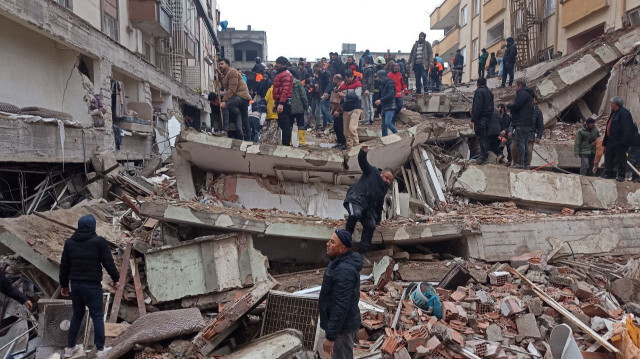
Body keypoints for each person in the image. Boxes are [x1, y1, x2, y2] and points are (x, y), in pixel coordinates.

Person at [60, 214, 119, 358]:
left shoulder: (70, 243)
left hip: (76, 286)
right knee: (97, 316)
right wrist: (116, 278)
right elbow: (108, 262)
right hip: (92, 286)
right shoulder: (99, 242)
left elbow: (64, 266)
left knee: (77, 315)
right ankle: (100, 349)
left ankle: (70, 348)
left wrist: (64, 285)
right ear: (92, 226)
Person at [344, 145, 393, 260]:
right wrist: (363, 152)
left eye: (390, 180)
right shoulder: (372, 171)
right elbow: (363, 162)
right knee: (355, 214)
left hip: (368, 208)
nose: (387, 181)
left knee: (370, 226)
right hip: (356, 199)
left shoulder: (384, 188)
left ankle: (362, 252)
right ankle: (347, 238)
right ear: (382, 173)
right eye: (386, 177)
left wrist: (378, 220)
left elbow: (380, 204)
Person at [319, 230, 362, 359]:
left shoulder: (344, 270)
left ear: (342, 249)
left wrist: (331, 336)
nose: (327, 244)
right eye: (329, 240)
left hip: (342, 329)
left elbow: (341, 305)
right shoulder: (337, 262)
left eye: (332, 242)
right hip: (340, 327)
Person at [603, 96, 637, 181]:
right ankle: (608, 173)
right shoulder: (614, 112)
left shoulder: (624, 113)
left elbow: (627, 129)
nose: (610, 104)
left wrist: (623, 142)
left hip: (619, 142)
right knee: (608, 157)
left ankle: (621, 175)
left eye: (611, 103)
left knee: (621, 159)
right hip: (611, 141)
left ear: (615, 104)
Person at [218, 58, 252, 140]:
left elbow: (232, 89)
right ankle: (248, 139)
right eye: (219, 64)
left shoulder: (232, 72)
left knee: (225, 105)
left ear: (227, 65)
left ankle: (224, 130)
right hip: (242, 98)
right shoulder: (226, 75)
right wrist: (219, 76)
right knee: (244, 119)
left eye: (222, 64)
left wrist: (224, 101)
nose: (220, 66)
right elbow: (224, 84)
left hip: (241, 96)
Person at [507, 79, 535, 169]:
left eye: (516, 86)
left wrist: (508, 105)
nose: (515, 88)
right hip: (526, 123)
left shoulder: (522, 93)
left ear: (520, 86)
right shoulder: (528, 94)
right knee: (525, 143)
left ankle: (521, 163)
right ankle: (526, 164)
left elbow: (517, 105)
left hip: (521, 122)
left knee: (520, 143)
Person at [471, 77, 494, 164]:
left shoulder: (479, 92)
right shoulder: (489, 92)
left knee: (482, 138)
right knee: (485, 137)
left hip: (481, 119)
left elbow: (477, 107)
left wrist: (474, 118)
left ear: (478, 84)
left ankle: (483, 156)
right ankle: (485, 154)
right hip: (488, 118)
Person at [272, 56, 294, 146]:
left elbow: (285, 90)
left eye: (278, 63)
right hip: (281, 102)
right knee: (283, 123)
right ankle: (285, 144)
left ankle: (286, 145)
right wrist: (276, 103)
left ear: (282, 64)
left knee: (285, 124)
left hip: (284, 103)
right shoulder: (281, 73)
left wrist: (281, 103)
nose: (276, 65)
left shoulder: (286, 74)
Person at [338, 69, 362, 150]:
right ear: (345, 77)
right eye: (348, 77)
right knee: (346, 132)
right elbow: (341, 97)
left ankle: (357, 148)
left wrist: (344, 95)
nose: (350, 79)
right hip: (346, 109)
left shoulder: (358, 84)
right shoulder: (342, 86)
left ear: (353, 76)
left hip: (355, 108)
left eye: (351, 77)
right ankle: (349, 149)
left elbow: (357, 96)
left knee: (352, 128)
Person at [375, 70, 397, 137]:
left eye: (378, 77)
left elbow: (391, 94)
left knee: (388, 123)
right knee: (383, 126)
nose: (377, 78)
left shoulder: (390, 82)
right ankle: (384, 139)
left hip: (390, 106)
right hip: (384, 106)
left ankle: (398, 135)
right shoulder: (382, 84)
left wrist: (381, 100)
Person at [330, 74, 347, 149]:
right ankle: (339, 142)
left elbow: (343, 101)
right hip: (335, 110)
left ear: (337, 79)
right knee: (336, 127)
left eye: (334, 79)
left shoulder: (343, 88)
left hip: (341, 111)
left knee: (340, 127)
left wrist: (338, 111)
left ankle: (343, 143)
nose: (333, 81)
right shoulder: (336, 88)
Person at [291, 77, 309, 146]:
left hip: (289, 107)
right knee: (301, 124)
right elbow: (303, 96)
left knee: (289, 125)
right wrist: (306, 107)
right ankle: (302, 141)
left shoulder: (285, 83)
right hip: (299, 107)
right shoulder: (298, 84)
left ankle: (289, 141)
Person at [527, 97, 545, 167]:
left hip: (531, 134)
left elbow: (540, 125)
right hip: (522, 133)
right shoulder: (524, 109)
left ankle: (527, 166)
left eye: (533, 99)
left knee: (529, 151)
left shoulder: (538, 111)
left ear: (536, 101)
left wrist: (539, 136)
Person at [318, 63, 335, 130]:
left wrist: (326, 92)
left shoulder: (326, 73)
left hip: (326, 93)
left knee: (325, 109)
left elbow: (329, 84)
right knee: (323, 110)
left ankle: (332, 123)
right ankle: (324, 125)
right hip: (322, 93)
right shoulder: (321, 74)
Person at [362, 56, 376, 125]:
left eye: (363, 61)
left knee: (369, 104)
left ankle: (370, 119)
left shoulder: (369, 70)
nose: (362, 62)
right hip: (366, 89)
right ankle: (367, 118)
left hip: (368, 90)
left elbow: (370, 80)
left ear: (365, 61)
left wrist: (367, 89)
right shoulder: (366, 69)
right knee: (366, 105)